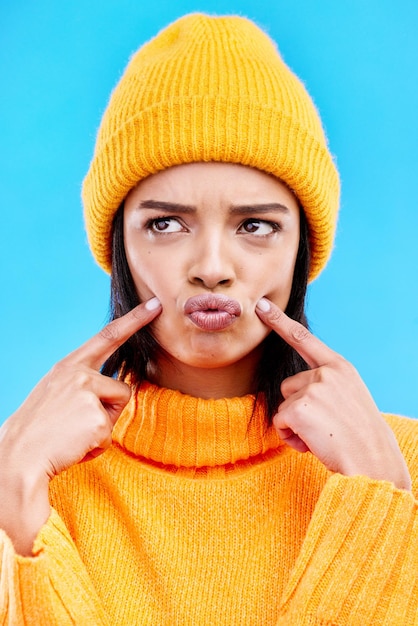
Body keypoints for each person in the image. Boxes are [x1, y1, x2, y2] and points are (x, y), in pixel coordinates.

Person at [0, 12, 417, 625]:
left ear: (302, 248)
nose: (213, 267)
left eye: (256, 226)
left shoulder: (400, 466)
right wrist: (19, 514)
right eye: (166, 224)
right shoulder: (25, 475)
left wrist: (381, 501)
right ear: (120, 246)